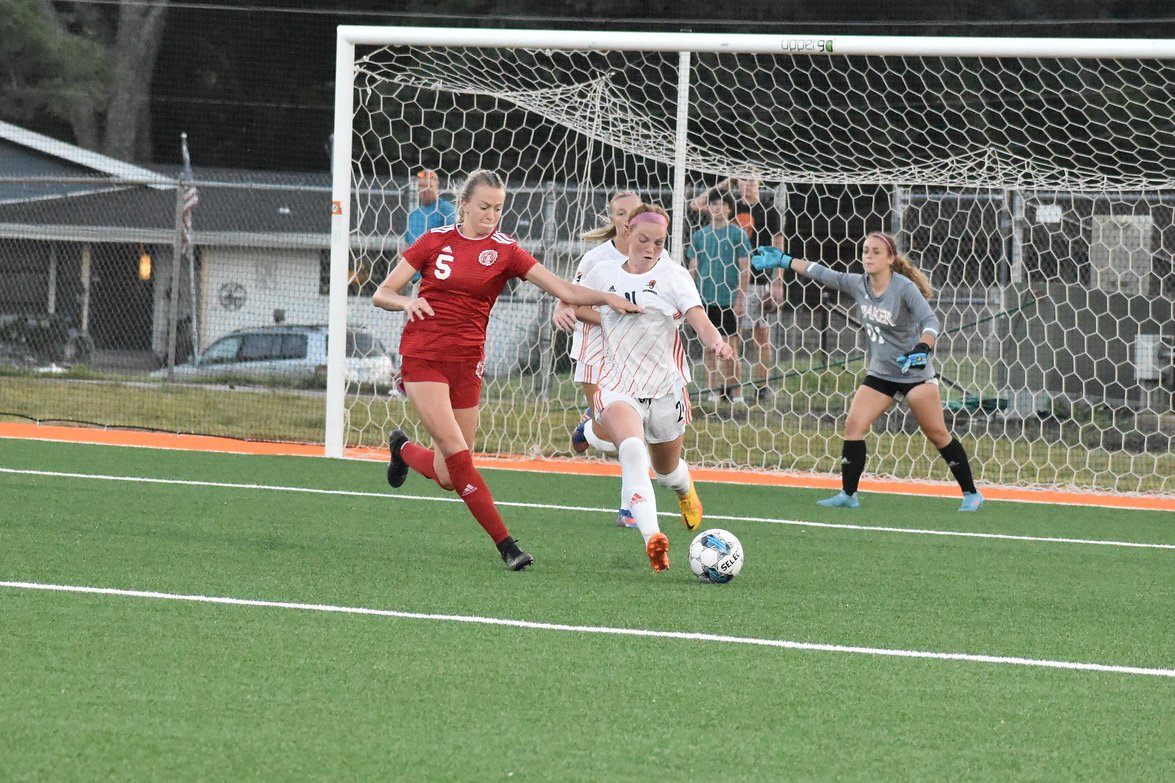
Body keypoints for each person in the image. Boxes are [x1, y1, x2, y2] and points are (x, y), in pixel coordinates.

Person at [373, 169, 643, 571]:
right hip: (422, 356)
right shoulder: (433, 241)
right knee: (460, 457)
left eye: (498, 208)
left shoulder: (506, 251)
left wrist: (608, 298)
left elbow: (565, 291)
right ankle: (507, 546)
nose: (491, 215)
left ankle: (403, 449)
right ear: (463, 205)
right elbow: (383, 293)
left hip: (468, 364)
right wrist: (407, 304)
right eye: (484, 207)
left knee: (449, 475)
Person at [751, 232, 984, 511]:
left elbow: (930, 321)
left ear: (890, 259)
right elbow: (822, 273)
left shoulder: (904, 288)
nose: (868, 256)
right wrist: (785, 261)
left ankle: (971, 493)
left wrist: (923, 347)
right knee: (853, 426)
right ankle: (849, 495)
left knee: (937, 433)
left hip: (915, 374)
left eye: (876, 252)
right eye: (865, 251)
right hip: (881, 374)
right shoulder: (857, 283)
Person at [576, 204, 735, 571]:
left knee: (666, 472)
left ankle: (685, 489)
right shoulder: (602, 271)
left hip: (665, 389)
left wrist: (716, 342)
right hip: (618, 385)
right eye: (643, 239)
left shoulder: (674, 276)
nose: (649, 248)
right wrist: (602, 311)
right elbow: (576, 301)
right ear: (627, 232)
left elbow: (697, 316)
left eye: (658, 242)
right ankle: (653, 537)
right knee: (633, 452)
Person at [552, 190, 643, 457]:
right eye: (620, 213)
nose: (627, 220)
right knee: (607, 439)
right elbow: (573, 303)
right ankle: (589, 425)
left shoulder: (655, 256)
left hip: (634, 350)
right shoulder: (596, 259)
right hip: (595, 347)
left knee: (634, 430)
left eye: (633, 213)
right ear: (612, 217)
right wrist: (614, 321)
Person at [693, 176, 786, 402]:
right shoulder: (729, 205)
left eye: (752, 179)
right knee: (731, 339)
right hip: (728, 282)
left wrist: (777, 281)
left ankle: (762, 387)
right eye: (742, 179)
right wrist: (725, 183)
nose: (748, 184)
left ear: (760, 182)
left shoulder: (769, 210)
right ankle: (729, 389)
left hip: (758, 280)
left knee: (760, 336)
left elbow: (778, 244)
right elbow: (696, 204)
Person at [687, 191, 751, 404]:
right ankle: (713, 392)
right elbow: (693, 268)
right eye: (713, 204)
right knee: (709, 349)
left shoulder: (738, 234)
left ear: (729, 209)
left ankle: (735, 393)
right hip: (705, 298)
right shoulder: (699, 236)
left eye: (721, 204)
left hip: (728, 299)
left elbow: (745, 267)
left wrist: (741, 296)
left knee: (731, 347)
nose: (717, 208)